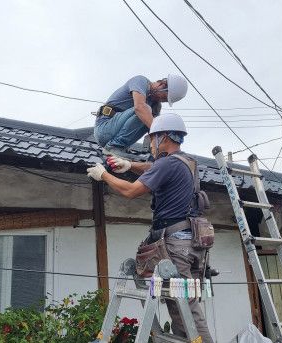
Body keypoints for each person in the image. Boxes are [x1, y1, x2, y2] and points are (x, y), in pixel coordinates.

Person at [86, 113, 213, 342]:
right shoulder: (188, 162)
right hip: (192, 242)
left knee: (187, 307)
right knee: (181, 304)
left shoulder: (167, 163)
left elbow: (131, 191)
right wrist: (129, 165)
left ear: (163, 137)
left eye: (151, 139)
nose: (150, 145)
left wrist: (104, 175)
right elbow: (153, 168)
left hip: (176, 245)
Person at [94, 74, 188, 157]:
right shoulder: (140, 81)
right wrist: (161, 133)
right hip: (104, 129)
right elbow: (139, 108)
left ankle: (119, 146)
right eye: (163, 97)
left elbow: (152, 131)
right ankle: (114, 146)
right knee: (145, 110)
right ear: (162, 85)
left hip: (118, 137)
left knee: (152, 118)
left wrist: (159, 151)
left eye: (165, 100)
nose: (161, 100)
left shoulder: (155, 105)